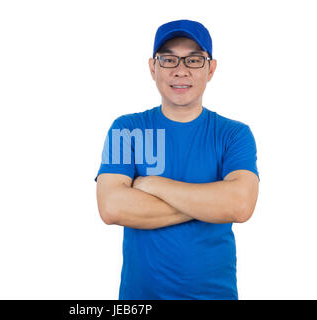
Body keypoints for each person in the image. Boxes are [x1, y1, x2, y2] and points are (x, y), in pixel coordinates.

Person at [94, 19, 259, 300]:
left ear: (211, 69)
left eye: (194, 60)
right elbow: (111, 207)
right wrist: (212, 203)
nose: (180, 70)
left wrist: (154, 185)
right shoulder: (127, 129)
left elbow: (240, 205)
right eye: (169, 59)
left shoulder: (234, 134)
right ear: (152, 67)